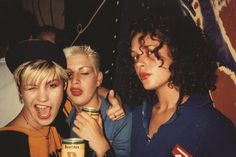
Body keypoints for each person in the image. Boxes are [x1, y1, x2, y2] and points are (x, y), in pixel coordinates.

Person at [124, 15, 236, 157]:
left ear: (177, 51)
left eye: (151, 51)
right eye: (136, 56)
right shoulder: (137, 116)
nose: (139, 63)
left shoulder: (210, 124)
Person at [0, 40, 68, 157]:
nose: (42, 98)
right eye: (31, 87)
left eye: (52, 85)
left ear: (64, 86)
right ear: (19, 89)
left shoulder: (63, 116)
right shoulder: (7, 146)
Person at [63, 45, 132, 157]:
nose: (75, 80)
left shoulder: (121, 119)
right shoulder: (61, 112)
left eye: (84, 73)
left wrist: (101, 146)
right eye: (69, 74)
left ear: (98, 79)